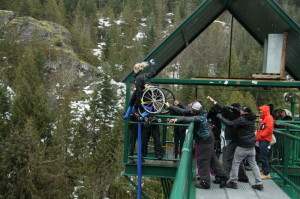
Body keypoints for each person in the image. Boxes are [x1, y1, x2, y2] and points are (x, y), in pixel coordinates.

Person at [169, 102, 228, 189]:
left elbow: (190, 119)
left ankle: (205, 183)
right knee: (213, 160)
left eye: (192, 110)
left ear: (195, 111)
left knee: (203, 161)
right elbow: (187, 114)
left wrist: (177, 120)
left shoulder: (199, 117)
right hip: (209, 138)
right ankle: (224, 176)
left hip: (205, 140)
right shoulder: (203, 113)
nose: (191, 111)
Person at [217, 105, 263, 190]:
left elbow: (230, 124)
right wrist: (233, 107)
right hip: (251, 145)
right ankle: (259, 183)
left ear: (245, 112)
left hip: (242, 145)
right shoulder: (252, 117)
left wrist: (220, 117)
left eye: (242, 110)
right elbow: (242, 111)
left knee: (236, 163)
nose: (240, 111)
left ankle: (233, 182)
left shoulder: (242, 119)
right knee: (254, 165)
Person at [207, 96, 249, 183]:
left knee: (227, 158)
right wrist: (212, 100)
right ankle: (243, 176)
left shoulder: (236, 116)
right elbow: (222, 108)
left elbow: (224, 111)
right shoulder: (239, 116)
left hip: (233, 139)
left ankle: (224, 177)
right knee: (236, 158)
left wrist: (214, 101)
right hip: (235, 139)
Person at [256, 105, 274, 179]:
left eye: (261, 110)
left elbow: (269, 129)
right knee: (263, 156)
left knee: (264, 157)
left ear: (265, 111)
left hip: (264, 139)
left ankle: (266, 173)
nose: (260, 112)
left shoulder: (268, 118)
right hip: (262, 139)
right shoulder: (265, 118)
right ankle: (264, 171)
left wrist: (261, 136)